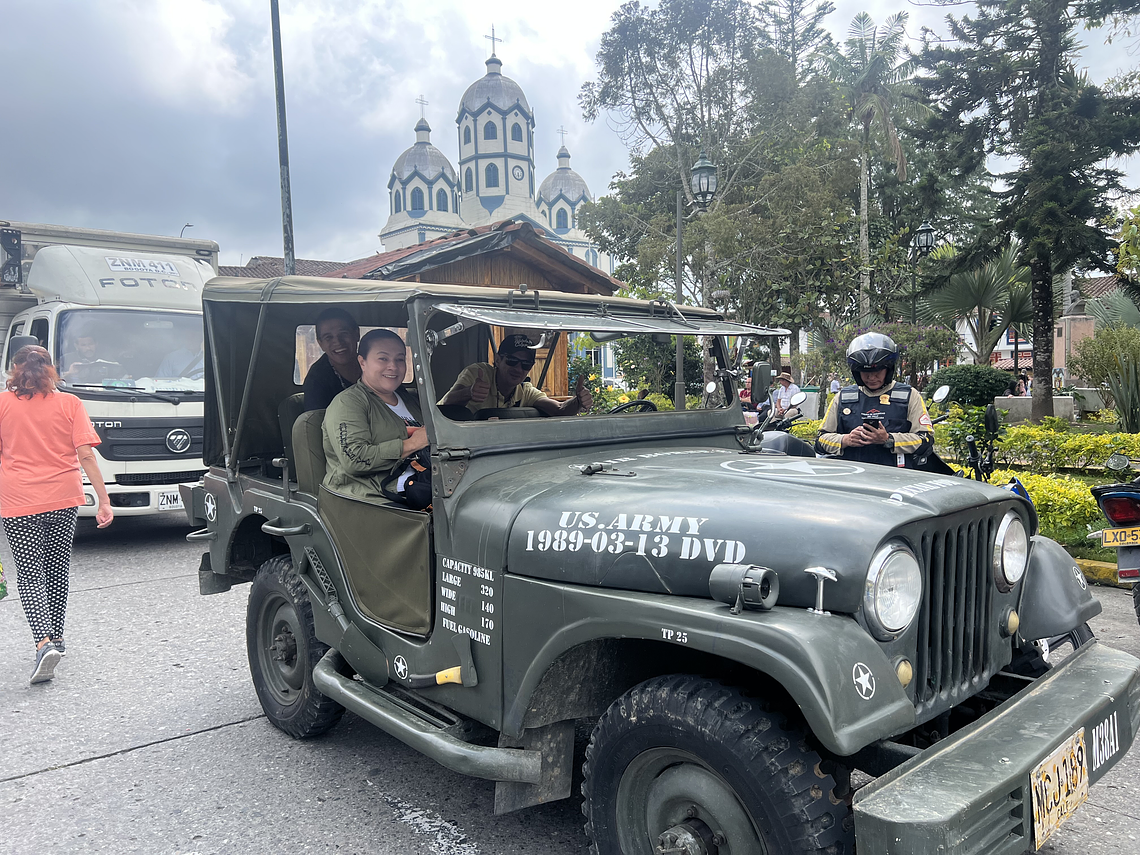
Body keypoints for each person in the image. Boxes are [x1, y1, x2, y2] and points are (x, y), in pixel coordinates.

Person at [0, 345, 113, 684]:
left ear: (14, 370)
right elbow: (86, 456)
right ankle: (58, 639)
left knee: (30, 575)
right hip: (64, 498)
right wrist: (104, 499)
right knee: (57, 570)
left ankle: (44, 642)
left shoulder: (3, 405)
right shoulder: (70, 403)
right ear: (51, 370)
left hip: (18, 501)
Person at [322, 329, 429, 505]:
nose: (393, 366)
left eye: (400, 359)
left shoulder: (410, 400)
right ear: (362, 362)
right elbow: (354, 460)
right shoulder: (348, 403)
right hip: (372, 499)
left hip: (421, 486)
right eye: (383, 359)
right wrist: (413, 444)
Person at [816, 332, 934, 468]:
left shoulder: (909, 395)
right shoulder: (843, 397)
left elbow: (926, 440)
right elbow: (820, 441)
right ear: (857, 372)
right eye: (865, 373)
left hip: (896, 477)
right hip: (852, 477)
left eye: (877, 372)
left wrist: (888, 439)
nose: (871, 378)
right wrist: (846, 440)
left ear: (888, 369)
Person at [438, 334, 593, 416]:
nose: (518, 369)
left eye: (525, 364)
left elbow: (560, 409)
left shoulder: (525, 391)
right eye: (512, 361)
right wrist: (469, 392)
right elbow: (448, 403)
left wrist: (578, 401)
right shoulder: (479, 373)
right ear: (498, 360)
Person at [304, 307, 363, 411]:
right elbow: (316, 422)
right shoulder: (316, 380)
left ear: (356, 334)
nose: (338, 342)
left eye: (343, 334)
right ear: (320, 343)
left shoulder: (374, 364)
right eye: (328, 337)